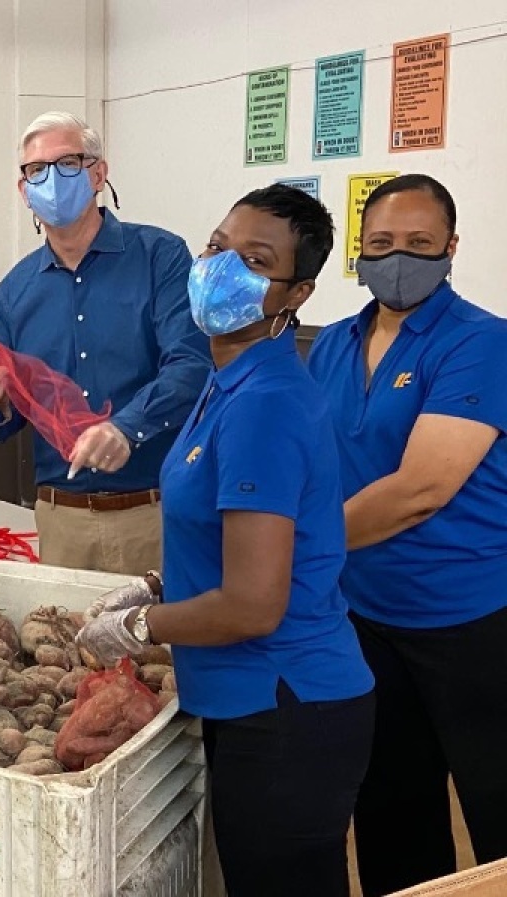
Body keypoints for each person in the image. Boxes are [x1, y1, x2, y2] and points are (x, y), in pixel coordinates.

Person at [77, 184, 375, 897]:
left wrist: (139, 626)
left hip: (287, 704)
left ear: (295, 292)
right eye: (217, 245)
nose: (220, 265)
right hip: (262, 699)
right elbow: (234, 534)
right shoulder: (231, 378)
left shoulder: (264, 404)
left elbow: (251, 604)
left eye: (255, 259)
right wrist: (157, 582)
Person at [306, 174, 507, 896]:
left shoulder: (481, 342)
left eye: (420, 244)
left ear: (451, 249)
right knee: (391, 811)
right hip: (364, 620)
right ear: (359, 251)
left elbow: (422, 488)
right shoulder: (331, 344)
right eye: (383, 243)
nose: (399, 258)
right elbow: (312, 462)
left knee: (496, 812)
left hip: (472, 623)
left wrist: (296, 548)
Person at [0, 111, 210, 576]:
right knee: (62, 648)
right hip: (62, 521)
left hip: (153, 514)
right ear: (24, 191)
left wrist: (125, 428)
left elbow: (192, 365)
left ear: (98, 173)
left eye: (67, 162)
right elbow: (6, 417)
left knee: (166, 648)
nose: (51, 179)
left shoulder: (160, 257)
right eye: (36, 170)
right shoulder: (15, 291)